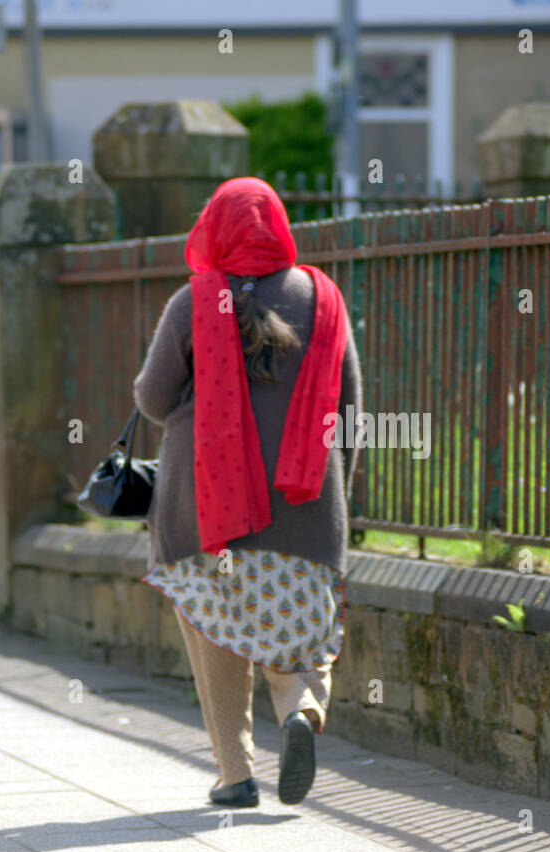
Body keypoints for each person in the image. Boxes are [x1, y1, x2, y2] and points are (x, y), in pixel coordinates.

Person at [134, 177, 362, 808]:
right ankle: (301, 712)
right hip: (304, 507)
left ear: (217, 227)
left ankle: (234, 776)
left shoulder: (194, 300)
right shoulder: (324, 298)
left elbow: (154, 399)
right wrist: (336, 496)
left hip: (204, 507)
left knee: (215, 626)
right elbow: (348, 411)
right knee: (297, 631)